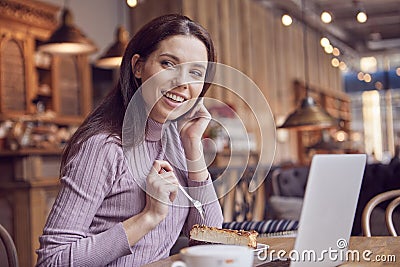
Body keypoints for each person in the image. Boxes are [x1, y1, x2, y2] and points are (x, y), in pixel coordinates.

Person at [36, 14, 223, 266]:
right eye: (168, 64)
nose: (182, 83)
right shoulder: (103, 147)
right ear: (138, 67)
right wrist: (148, 217)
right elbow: (52, 261)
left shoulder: (177, 144)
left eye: (196, 72)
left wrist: (192, 146)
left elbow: (211, 243)